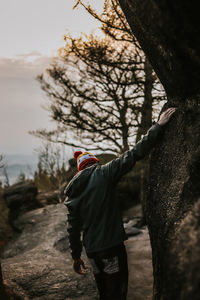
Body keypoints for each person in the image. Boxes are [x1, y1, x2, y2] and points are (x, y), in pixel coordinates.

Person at [64, 107, 176, 300]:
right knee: (117, 292)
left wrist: (76, 257)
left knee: (104, 293)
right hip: (110, 249)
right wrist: (157, 126)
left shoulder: (72, 194)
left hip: (92, 252)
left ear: (79, 170)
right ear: (94, 163)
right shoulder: (103, 173)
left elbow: (73, 230)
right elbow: (133, 154)